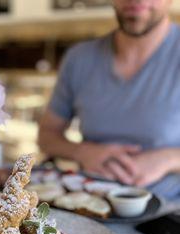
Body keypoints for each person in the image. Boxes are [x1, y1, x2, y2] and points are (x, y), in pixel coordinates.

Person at [39, 0, 180, 200]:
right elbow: (46, 136)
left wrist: (169, 159)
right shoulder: (79, 58)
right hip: (87, 206)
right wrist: (82, 152)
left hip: (168, 211)